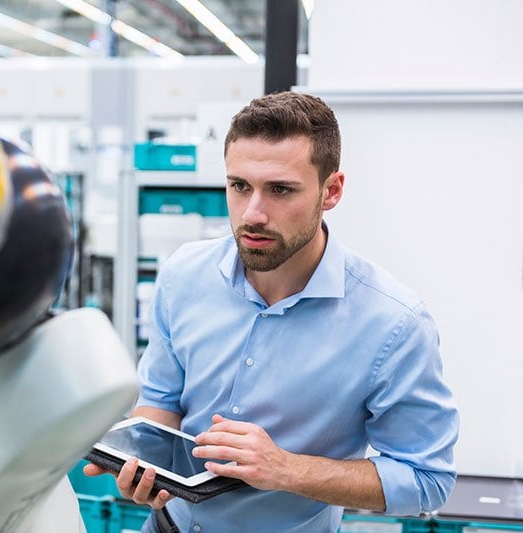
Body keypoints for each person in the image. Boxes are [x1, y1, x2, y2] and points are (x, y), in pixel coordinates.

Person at [84, 91, 459, 532]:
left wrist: (286, 469)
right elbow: (162, 402)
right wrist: (141, 461)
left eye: (280, 190)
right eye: (239, 186)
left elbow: (427, 478)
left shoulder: (393, 325)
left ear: (331, 190)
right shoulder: (183, 275)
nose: (253, 213)